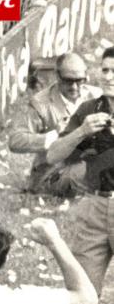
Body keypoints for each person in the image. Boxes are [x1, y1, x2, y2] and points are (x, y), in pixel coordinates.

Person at [44, 45, 114, 304]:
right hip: (95, 207)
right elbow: (53, 154)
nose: (108, 76)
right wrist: (81, 131)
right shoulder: (90, 111)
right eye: (105, 70)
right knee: (81, 290)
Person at [8, 52, 99, 196]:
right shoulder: (40, 103)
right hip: (53, 172)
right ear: (57, 76)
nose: (75, 87)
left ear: (86, 76)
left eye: (80, 80)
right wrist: (54, 135)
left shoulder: (95, 95)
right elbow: (15, 140)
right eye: (68, 81)